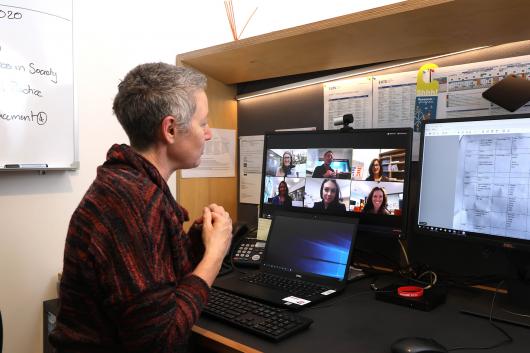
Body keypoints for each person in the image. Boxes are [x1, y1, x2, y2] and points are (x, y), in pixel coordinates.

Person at [50, 63, 233, 353]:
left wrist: (198, 243)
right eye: (203, 123)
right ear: (170, 129)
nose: (208, 134)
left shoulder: (128, 184)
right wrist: (214, 255)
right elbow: (159, 341)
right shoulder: (132, 203)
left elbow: (152, 279)